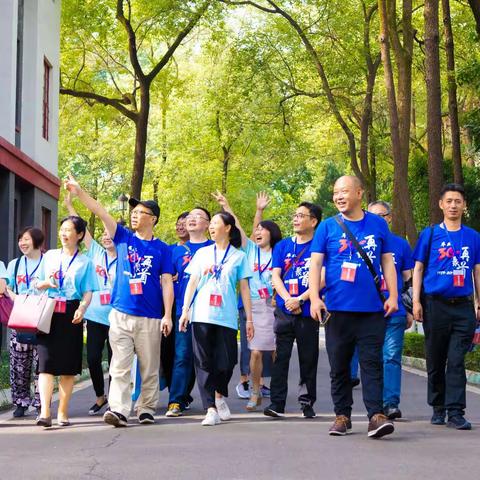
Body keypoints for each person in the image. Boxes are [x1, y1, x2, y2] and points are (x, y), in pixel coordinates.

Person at [65, 175, 174, 427]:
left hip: (150, 316)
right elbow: (100, 211)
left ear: (153, 218)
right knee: (120, 366)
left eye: (141, 212)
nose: (134, 215)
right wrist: (80, 193)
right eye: (133, 211)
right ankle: (119, 410)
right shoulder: (123, 237)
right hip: (120, 313)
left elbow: (167, 282)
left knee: (148, 367)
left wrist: (167, 314)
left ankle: (146, 408)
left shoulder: (163, 249)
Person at [309, 175, 398, 438]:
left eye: (344, 191)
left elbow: (387, 263)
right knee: (340, 365)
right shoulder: (327, 227)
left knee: (372, 364)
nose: (339, 196)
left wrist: (393, 295)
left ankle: (376, 416)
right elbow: (315, 264)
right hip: (337, 309)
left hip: (371, 310)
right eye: (336, 192)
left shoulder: (378, 225)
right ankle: (342, 416)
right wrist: (315, 297)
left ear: (360, 193)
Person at [413, 183, 480, 430]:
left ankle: (455, 411)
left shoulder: (473, 237)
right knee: (435, 358)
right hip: (435, 305)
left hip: (463, 308)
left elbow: (477, 271)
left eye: (458, 201)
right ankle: (438, 407)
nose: (453, 205)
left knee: (456, 360)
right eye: (449, 201)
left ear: (464, 205)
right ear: (441, 204)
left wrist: (478, 302)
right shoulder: (429, 235)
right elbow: (418, 269)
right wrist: (417, 301)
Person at [179, 211, 253, 426]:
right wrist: (185, 310)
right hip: (201, 313)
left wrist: (248, 319)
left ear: (228, 228)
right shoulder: (202, 254)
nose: (211, 227)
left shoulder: (239, 256)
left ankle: (220, 394)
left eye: (215, 224)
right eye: (209, 224)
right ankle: (210, 407)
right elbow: (192, 282)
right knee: (203, 362)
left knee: (227, 362)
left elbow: (245, 289)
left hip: (227, 316)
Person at [213, 191, 281, 411]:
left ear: (273, 233)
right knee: (255, 352)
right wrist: (227, 205)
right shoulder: (250, 250)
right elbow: (241, 228)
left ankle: (279, 391)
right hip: (254, 307)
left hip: (275, 306)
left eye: (263, 229)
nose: (259, 232)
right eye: (258, 230)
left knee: (277, 351)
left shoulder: (280, 252)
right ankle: (254, 391)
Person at [35, 216, 97, 427]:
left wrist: (82, 308)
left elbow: (88, 291)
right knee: (45, 364)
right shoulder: (50, 256)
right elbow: (37, 283)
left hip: (71, 312)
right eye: (62, 229)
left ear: (79, 235)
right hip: (49, 310)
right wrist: (45, 283)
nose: (63, 233)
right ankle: (45, 412)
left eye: (69, 230)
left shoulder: (85, 262)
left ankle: (62, 411)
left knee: (68, 367)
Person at [263, 201, 322, 419]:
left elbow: (323, 277)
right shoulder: (283, 246)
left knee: (308, 358)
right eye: (294, 215)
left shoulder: (320, 244)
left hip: (308, 311)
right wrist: (288, 299)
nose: (295, 219)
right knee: (280, 358)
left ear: (313, 221)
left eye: (301, 215)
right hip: (284, 311)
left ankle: (307, 403)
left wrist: (301, 299)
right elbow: (275, 276)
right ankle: (277, 403)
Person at [65, 193, 116, 416]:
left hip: (116, 317)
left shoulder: (125, 257)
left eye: (110, 234)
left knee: (116, 361)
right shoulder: (95, 251)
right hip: (95, 316)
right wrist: (69, 205)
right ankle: (100, 396)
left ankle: (115, 400)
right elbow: (79, 227)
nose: (106, 237)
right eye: (104, 234)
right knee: (94, 357)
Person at [368, 200, 414, 420]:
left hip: (394, 311)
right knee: (372, 358)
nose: (377, 220)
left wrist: (409, 308)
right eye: (372, 215)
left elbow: (409, 280)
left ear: (389, 218)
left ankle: (391, 403)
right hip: (367, 311)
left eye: (381, 216)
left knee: (391, 357)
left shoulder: (401, 245)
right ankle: (375, 404)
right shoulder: (362, 242)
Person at [166, 207, 213, 417]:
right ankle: (175, 400)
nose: (191, 220)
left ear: (208, 224)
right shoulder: (175, 251)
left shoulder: (215, 248)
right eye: (189, 217)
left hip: (210, 311)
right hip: (182, 311)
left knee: (207, 357)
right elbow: (166, 280)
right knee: (182, 356)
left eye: (197, 217)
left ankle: (212, 401)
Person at [6, 227, 44, 418]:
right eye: (20, 239)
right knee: (19, 364)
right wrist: (19, 299)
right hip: (20, 317)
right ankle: (20, 402)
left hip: (42, 319)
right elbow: (7, 288)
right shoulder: (15, 264)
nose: (22, 243)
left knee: (41, 364)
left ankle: (40, 403)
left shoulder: (48, 262)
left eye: (26, 239)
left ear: (37, 241)